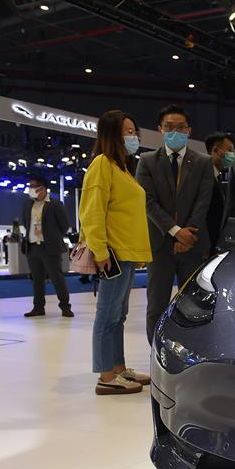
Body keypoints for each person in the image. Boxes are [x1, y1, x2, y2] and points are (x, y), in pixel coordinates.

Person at [79, 110, 152, 395]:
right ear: (112, 134)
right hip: (113, 253)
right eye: (127, 131)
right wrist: (100, 250)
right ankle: (106, 376)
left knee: (118, 315)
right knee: (107, 315)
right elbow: (91, 211)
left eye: (134, 131)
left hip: (127, 253)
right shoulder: (102, 164)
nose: (133, 136)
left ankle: (118, 367)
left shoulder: (122, 168)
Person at [137, 105, 215, 345]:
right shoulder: (147, 161)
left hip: (193, 243)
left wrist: (187, 234)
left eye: (180, 127)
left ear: (189, 130)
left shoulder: (203, 162)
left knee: (193, 306)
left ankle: (190, 352)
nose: (175, 132)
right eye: (169, 127)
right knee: (156, 305)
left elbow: (203, 202)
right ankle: (156, 354)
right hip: (160, 245)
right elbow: (148, 202)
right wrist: (176, 232)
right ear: (160, 130)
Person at [21, 175, 73, 317]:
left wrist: (52, 237)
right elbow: (26, 222)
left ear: (43, 188)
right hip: (32, 246)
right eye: (30, 186)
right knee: (37, 279)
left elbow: (64, 225)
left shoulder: (55, 204)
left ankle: (65, 306)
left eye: (34, 186)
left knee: (57, 278)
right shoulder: (27, 204)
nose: (31, 189)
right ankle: (38, 307)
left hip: (50, 247)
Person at [205, 131, 235, 250]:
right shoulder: (204, 177)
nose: (232, 154)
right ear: (215, 151)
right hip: (205, 244)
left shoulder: (218, 177)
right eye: (229, 150)